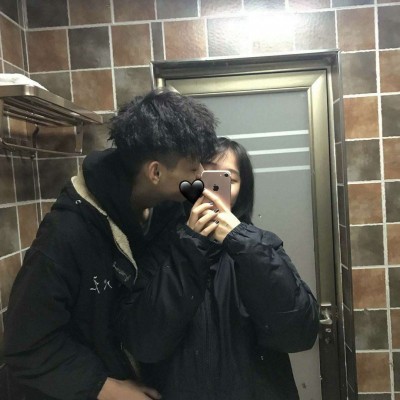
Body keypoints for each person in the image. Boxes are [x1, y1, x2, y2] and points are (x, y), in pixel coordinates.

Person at [3, 88, 218, 400]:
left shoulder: (170, 210)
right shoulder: (67, 232)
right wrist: (106, 387)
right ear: (156, 172)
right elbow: (25, 345)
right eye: (193, 167)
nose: (202, 174)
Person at [119, 137, 320, 400]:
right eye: (207, 175)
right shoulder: (161, 248)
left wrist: (241, 240)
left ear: (241, 190)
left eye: (228, 179)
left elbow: (298, 334)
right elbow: (144, 345)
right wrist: (191, 245)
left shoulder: (262, 245)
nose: (214, 188)